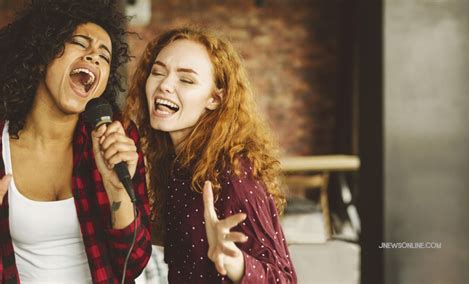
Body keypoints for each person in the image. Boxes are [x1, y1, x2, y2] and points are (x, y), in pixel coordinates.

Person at [125, 27, 297, 283]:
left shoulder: (233, 173)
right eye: (158, 72)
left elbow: (284, 279)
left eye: (186, 80)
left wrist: (235, 262)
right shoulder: (177, 163)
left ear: (215, 98)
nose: (165, 85)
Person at [0, 0, 151, 282]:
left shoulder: (114, 138)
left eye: (104, 56)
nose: (94, 56)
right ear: (42, 55)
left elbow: (133, 262)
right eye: (80, 43)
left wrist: (117, 190)